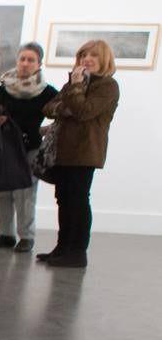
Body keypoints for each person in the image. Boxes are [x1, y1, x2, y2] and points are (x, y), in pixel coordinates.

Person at [38, 40, 119, 268]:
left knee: (78, 199)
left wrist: (73, 94)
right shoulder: (76, 83)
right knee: (64, 198)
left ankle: (77, 251)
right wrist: (68, 104)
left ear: (104, 59)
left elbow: (84, 111)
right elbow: (49, 108)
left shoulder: (107, 86)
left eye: (93, 55)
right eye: (84, 55)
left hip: (85, 152)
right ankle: (62, 247)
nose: (87, 59)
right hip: (63, 151)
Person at [0, 41, 56, 253]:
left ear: (39, 64)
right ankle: (6, 234)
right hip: (6, 147)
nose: (25, 63)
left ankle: (26, 237)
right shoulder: (4, 89)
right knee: (3, 191)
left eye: (30, 60)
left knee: (25, 193)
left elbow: (60, 113)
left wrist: (47, 130)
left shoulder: (46, 92)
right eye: (22, 59)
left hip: (31, 147)